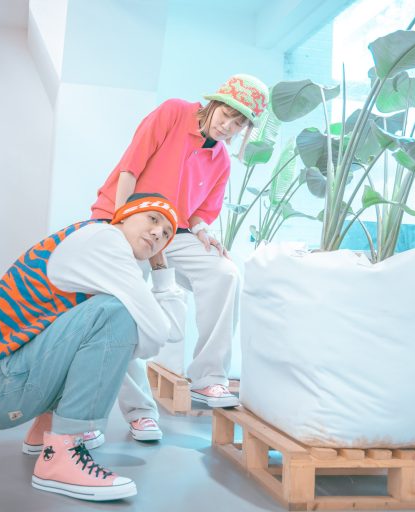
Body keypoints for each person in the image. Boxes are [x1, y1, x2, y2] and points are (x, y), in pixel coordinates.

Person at [0, 193, 186, 502]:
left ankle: (46, 429)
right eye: (153, 218)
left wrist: (160, 269)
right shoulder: (106, 241)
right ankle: (61, 455)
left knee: (111, 314)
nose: (158, 232)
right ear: (124, 215)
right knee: (116, 311)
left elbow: (169, 332)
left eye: (167, 233)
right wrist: (127, 339)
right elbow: (160, 332)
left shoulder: (97, 239)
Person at [90, 74, 270, 440]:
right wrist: (120, 224)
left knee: (224, 273)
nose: (228, 126)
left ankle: (209, 377)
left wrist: (205, 233)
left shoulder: (221, 160)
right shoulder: (173, 113)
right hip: (124, 220)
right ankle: (140, 412)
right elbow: (130, 169)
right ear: (215, 103)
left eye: (238, 123)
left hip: (173, 233)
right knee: (122, 312)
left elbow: (200, 213)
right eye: (227, 114)